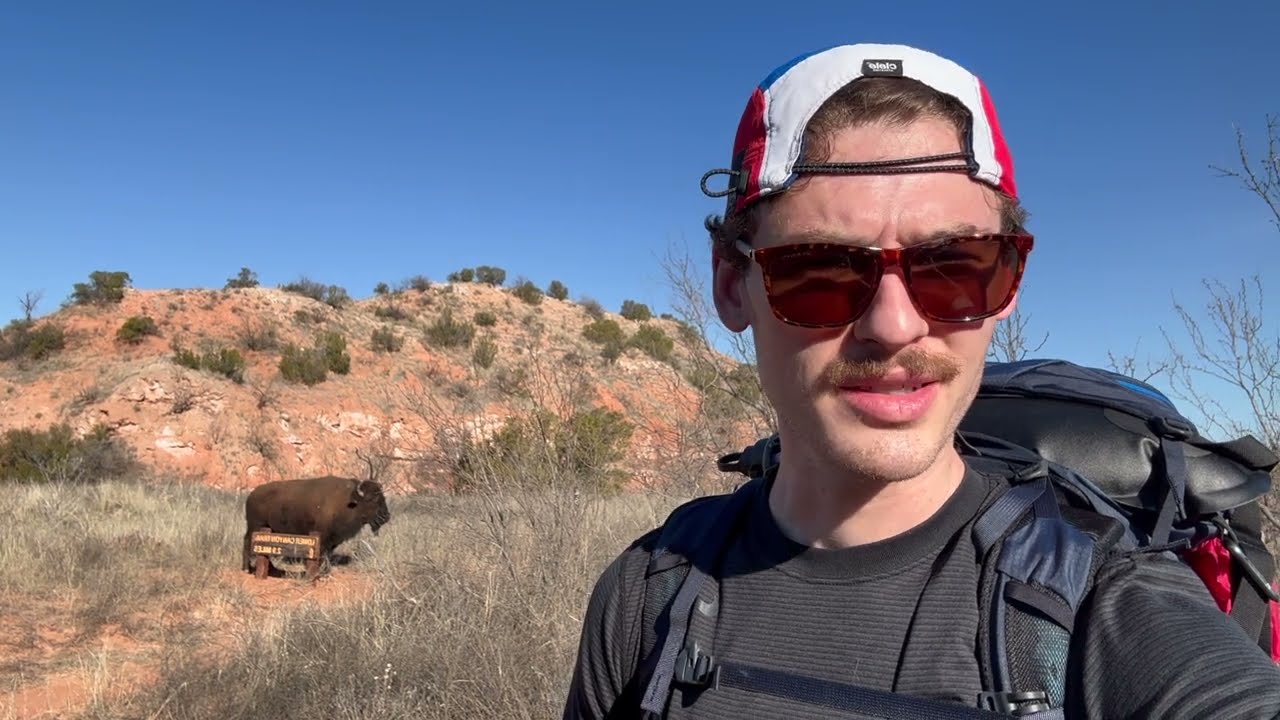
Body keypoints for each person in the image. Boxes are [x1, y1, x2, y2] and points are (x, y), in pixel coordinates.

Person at [561, 43, 1280, 720]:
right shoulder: (646, 596)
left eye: (956, 266)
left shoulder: (1103, 600)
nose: (896, 325)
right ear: (730, 284)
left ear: (1013, 280)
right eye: (819, 269)